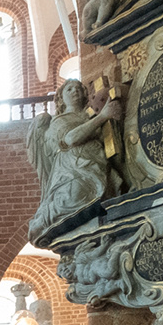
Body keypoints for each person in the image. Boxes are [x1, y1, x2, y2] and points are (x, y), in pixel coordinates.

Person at [26, 80, 123, 234]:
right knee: (74, 198)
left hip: (96, 163)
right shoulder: (58, 121)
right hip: (72, 170)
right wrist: (103, 116)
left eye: (78, 88)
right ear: (61, 98)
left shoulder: (90, 115)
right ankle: (43, 222)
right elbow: (71, 139)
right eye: (69, 89)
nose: (75, 91)